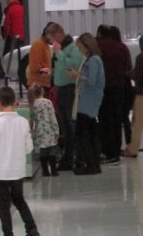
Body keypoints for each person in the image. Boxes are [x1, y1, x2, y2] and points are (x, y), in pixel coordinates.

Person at [0, 86, 40, 236]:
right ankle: (31, 230)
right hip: (17, 170)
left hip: (0, 171)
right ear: (15, 102)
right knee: (19, 200)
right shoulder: (23, 122)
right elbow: (29, 148)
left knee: (4, 206)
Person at [69, 33, 105, 175]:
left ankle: (91, 164)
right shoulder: (91, 59)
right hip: (88, 100)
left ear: (87, 46)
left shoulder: (94, 60)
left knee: (83, 133)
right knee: (90, 133)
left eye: (80, 47)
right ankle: (94, 164)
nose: (79, 50)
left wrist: (78, 76)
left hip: (89, 101)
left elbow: (92, 80)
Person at [49, 22, 83, 171]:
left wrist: (59, 54)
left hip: (69, 89)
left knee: (70, 124)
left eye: (52, 38)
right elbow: (62, 67)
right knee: (64, 125)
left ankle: (72, 157)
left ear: (58, 35)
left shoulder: (73, 49)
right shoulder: (62, 48)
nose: (52, 42)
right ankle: (68, 156)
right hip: (61, 89)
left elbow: (74, 65)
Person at [96, 25, 132, 164]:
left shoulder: (99, 46)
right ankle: (116, 151)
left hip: (103, 87)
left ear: (100, 33)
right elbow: (128, 67)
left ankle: (106, 151)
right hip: (120, 87)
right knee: (117, 120)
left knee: (105, 120)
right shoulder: (121, 47)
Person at [28, 83, 60, 176]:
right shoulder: (48, 102)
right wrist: (56, 130)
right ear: (42, 91)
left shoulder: (32, 104)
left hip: (39, 131)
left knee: (42, 151)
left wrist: (31, 132)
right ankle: (54, 170)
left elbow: (32, 120)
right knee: (51, 150)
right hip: (49, 130)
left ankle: (45, 171)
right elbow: (52, 117)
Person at [27, 23, 54, 95]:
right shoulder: (38, 45)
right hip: (38, 86)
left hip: (43, 84)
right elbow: (35, 68)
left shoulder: (45, 45)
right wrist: (51, 73)